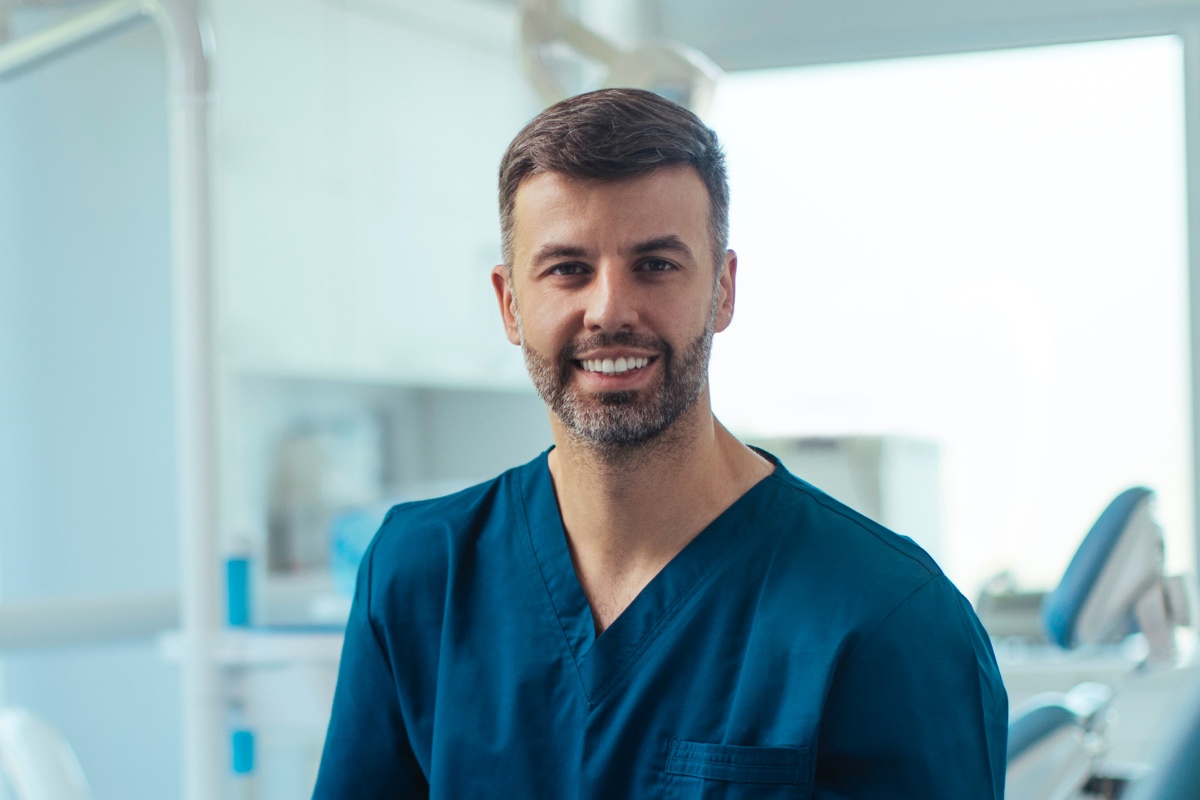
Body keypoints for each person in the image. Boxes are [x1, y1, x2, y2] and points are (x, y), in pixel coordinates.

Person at [313, 88, 1008, 799]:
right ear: (509, 304)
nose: (610, 309)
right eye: (567, 269)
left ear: (723, 289)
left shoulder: (886, 617)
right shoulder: (420, 578)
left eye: (655, 265)